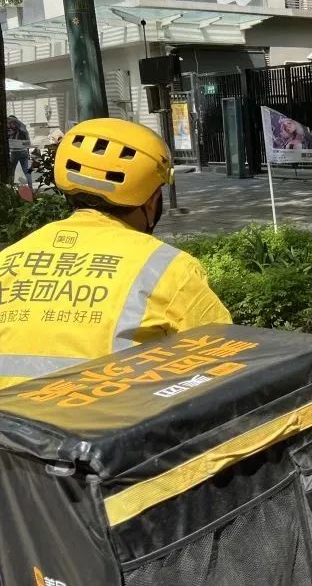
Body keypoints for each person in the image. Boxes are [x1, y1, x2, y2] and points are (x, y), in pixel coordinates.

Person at [0, 118, 232, 391]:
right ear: (152, 200)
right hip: (114, 427)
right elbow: (225, 361)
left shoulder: (9, 258)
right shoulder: (169, 269)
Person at [8, 116, 33, 188]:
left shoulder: (11, 129)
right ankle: (30, 188)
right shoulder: (22, 129)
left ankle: (10, 188)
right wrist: (28, 154)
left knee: (11, 171)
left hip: (15, 152)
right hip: (24, 151)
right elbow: (28, 143)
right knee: (26, 171)